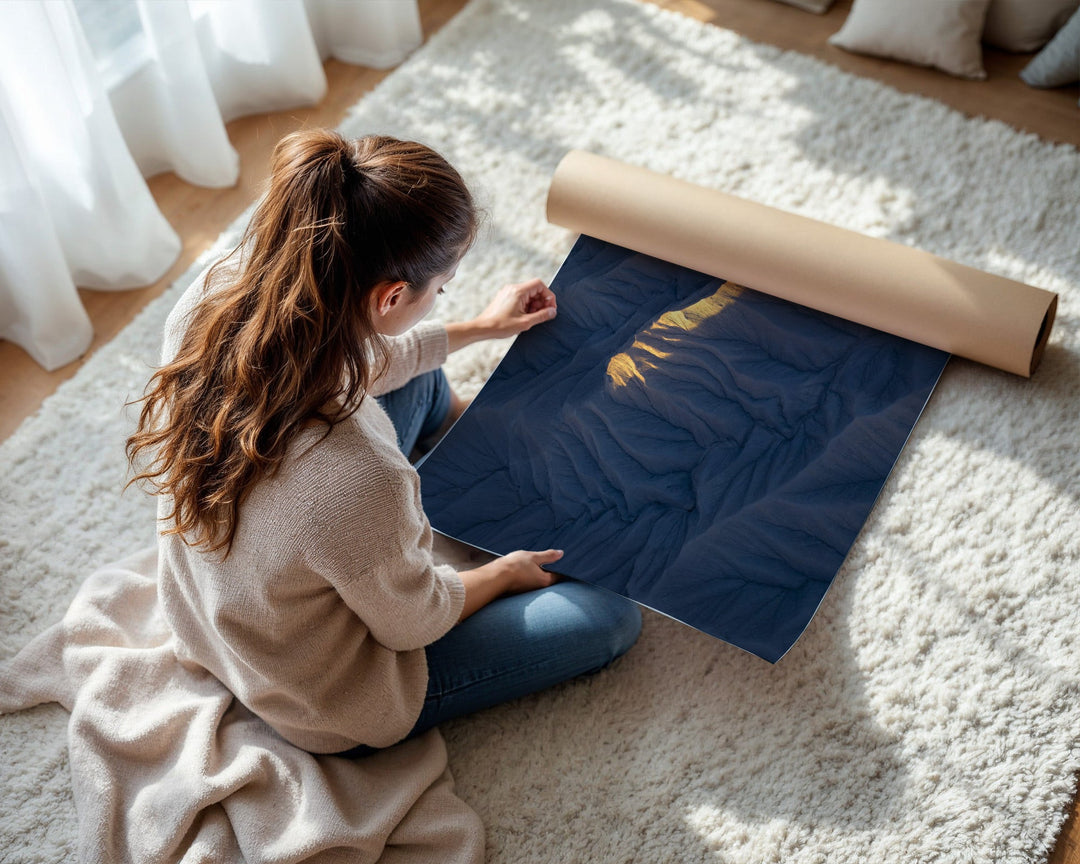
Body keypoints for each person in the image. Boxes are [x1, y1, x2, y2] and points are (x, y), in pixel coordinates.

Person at [126, 129, 641, 757]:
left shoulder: (221, 289)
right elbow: (413, 622)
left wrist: (482, 326)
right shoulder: (358, 476)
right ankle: (463, 488)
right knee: (609, 618)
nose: (442, 298)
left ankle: (468, 450)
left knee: (422, 379)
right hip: (320, 693)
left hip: (217, 610)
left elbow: (366, 360)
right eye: (442, 289)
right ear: (392, 295)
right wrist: (504, 573)